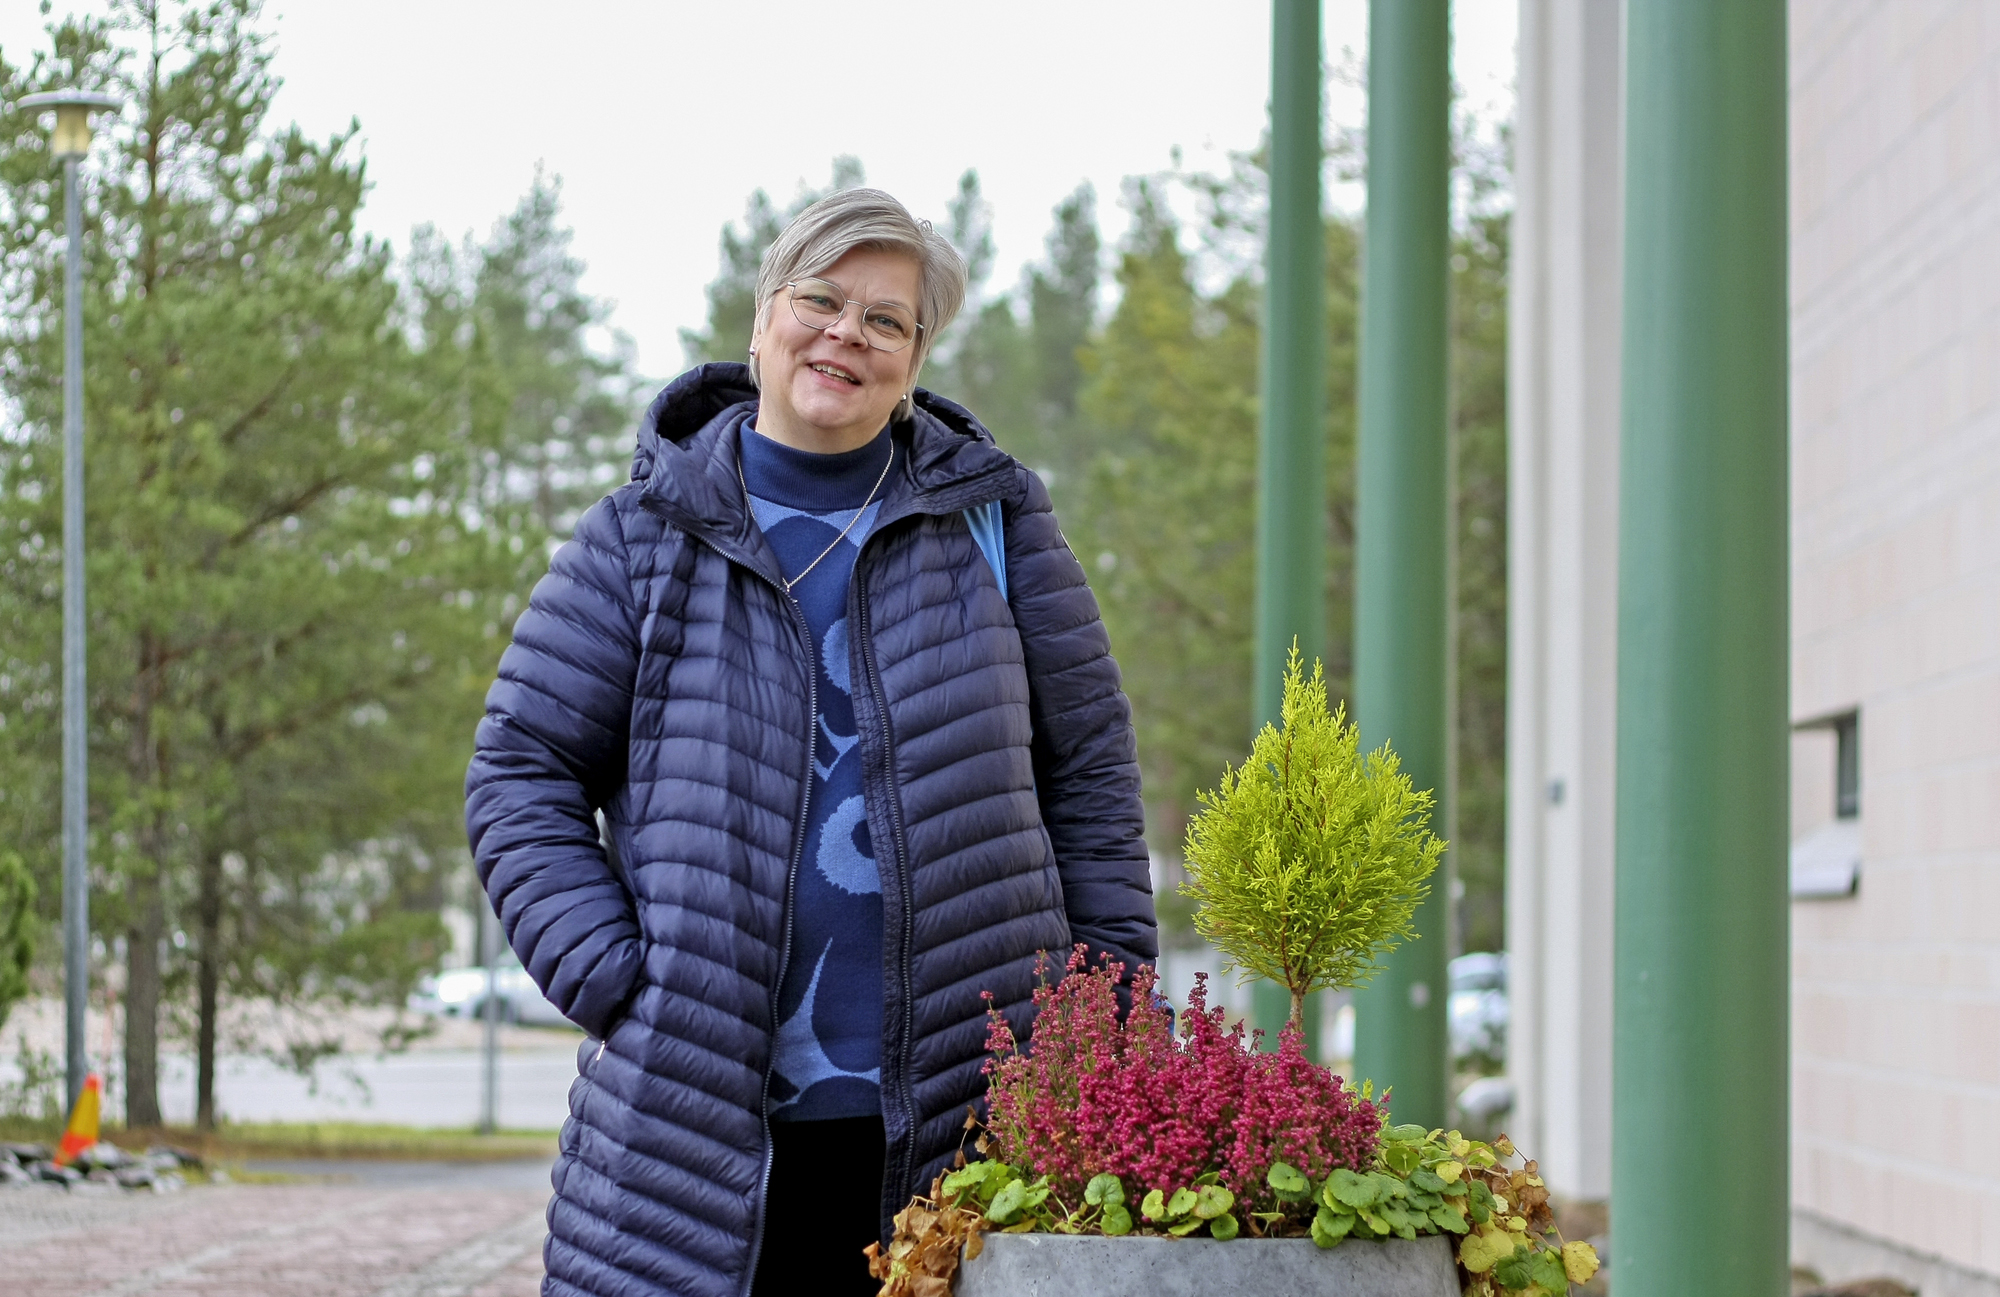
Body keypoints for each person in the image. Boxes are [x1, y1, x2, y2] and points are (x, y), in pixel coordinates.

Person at [465, 187, 1156, 1297]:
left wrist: (1108, 999)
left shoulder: (998, 522)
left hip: (966, 1115)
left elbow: (1087, 771)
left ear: (915, 355)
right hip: (693, 1119)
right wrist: (610, 972)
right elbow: (519, 771)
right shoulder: (641, 538)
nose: (846, 334)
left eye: (886, 320)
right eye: (820, 300)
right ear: (761, 319)